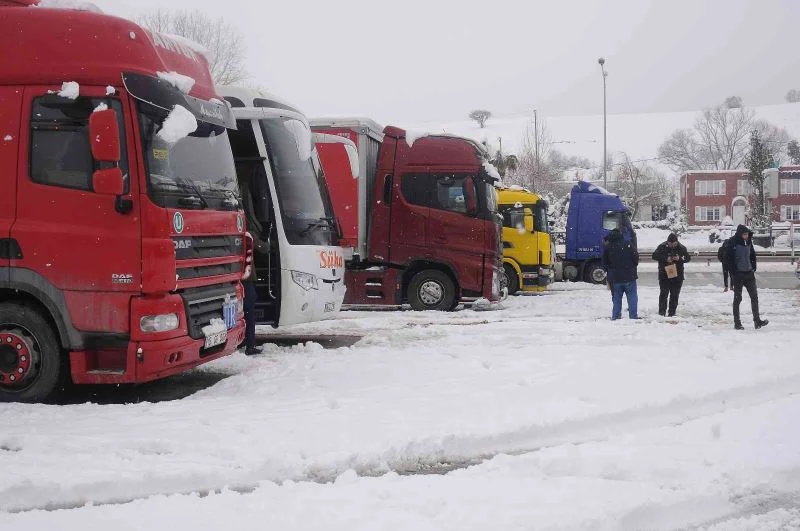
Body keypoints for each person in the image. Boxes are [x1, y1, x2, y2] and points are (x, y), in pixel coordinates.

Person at [722, 224, 768, 330]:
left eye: (747, 234)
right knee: (738, 299)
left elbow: (752, 254)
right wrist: (733, 271)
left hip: (749, 274)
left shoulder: (748, 241)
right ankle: (737, 323)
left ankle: (757, 321)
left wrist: (753, 266)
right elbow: (726, 259)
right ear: (739, 234)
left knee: (754, 297)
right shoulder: (732, 242)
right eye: (744, 234)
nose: (746, 236)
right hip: (738, 275)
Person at [601, 228, 639, 320]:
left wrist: (610, 270)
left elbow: (604, 263)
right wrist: (632, 266)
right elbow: (636, 258)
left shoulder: (608, 247)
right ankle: (633, 316)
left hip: (616, 277)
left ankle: (616, 316)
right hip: (629, 275)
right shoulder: (628, 244)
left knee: (617, 298)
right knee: (632, 297)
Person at [651, 233, 691, 317]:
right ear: (667, 242)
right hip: (664, 275)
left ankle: (672, 313)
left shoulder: (682, 248)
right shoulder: (662, 246)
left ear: (677, 242)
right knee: (663, 294)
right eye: (670, 244)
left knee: (675, 295)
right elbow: (654, 256)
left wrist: (679, 258)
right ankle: (662, 312)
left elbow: (688, 258)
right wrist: (666, 258)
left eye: (674, 244)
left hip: (677, 276)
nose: (672, 245)